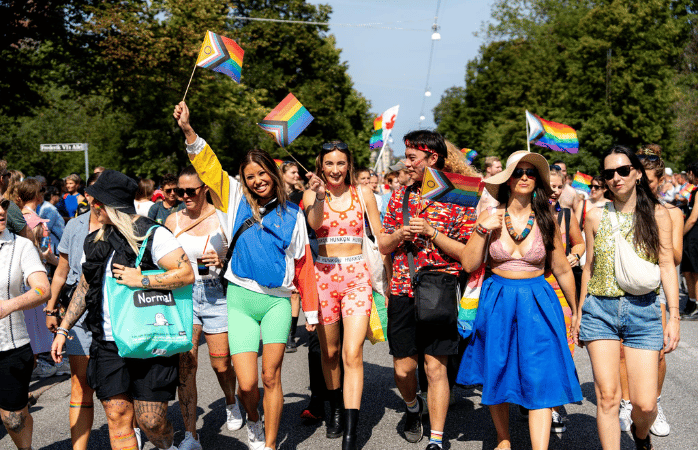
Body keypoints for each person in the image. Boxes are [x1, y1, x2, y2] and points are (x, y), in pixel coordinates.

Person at [174, 101, 318, 450]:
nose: (257, 181)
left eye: (262, 174)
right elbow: (207, 164)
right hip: (238, 300)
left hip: (276, 303)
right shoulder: (233, 198)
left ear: (274, 173)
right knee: (248, 382)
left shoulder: (294, 214)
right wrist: (189, 131)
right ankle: (253, 419)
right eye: (250, 176)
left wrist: (311, 311)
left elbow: (303, 265)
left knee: (271, 376)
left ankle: (269, 444)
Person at [50, 169, 196, 450]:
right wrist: (64, 327)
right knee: (118, 416)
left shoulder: (153, 234)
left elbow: (186, 273)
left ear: (111, 205)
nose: (92, 207)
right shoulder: (94, 240)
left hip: (149, 341)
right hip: (107, 343)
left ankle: (168, 446)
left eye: (97, 202)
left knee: (151, 422)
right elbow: (84, 286)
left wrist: (141, 279)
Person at [455, 151, 582, 450]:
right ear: (507, 179)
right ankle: (503, 440)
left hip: (538, 300)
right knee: (497, 370)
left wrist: (576, 310)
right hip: (496, 299)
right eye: (518, 172)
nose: (524, 177)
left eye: (531, 172)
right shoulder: (489, 216)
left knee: (540, 375)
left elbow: (562, 268)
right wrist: (481, 228)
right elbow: (469, 263)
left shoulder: (548, 217)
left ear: (537, 180)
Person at [577, 146, 680, 450]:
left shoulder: (659, 213)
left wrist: (674, 316)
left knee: (646, 405)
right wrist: (580, 311)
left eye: (623, 171)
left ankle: (641, 433)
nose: (616, 178)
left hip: (644, 310)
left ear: (636, 173)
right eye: (609, 174)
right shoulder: (594, 216)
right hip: (599, 310)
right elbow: (589, 268)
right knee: (608, 397)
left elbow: (666, 265)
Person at [378, 130, 475, 450]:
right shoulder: (401, 195)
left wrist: (432, 233)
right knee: (404, 368)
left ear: (433, 159)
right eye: (406, 156)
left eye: (411, 157)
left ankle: (436, 438)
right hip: (403, 290)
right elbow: (383, 243)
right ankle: (411, 407)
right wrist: (399, 235)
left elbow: (466, 255)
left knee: (436, 367)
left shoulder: (458, 198)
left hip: (439, 289)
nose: (405, 163)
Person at [304, 141, 384, 450]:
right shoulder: (312, 195)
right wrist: (321, 196)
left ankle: (351, 431)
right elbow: (313, 225)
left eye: (341, 163)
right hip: (323, 279)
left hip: (357, 279)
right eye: (329, 164)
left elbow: (380, 235)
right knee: (331, 353)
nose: (335, 169)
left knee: (353, 354)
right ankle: (335, 407)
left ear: (349, 165)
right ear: (320, 166)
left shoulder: (363, 194)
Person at [164, 166, 242, 450]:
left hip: (216, 294)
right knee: (187, 365)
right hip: (183, 296)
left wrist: (222, 261)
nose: (183, 196)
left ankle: (231, 401)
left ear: (205, 188)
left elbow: (240, 256)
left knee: (221, 364)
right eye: (177, 191)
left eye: (189, 191)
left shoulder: (223, 218)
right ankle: (190, 435)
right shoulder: (172, 221)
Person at [616, 145, 684, 438]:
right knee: (621, 353)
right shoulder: (621, 209)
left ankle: (654, 404)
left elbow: (674, 258)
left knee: (657, 355)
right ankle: (625, 404)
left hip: (650, 291)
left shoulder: (669, 212)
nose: (645, 186)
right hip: (619, 291)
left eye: (652, 182)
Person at [45, 172, 103, 450]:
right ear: (87, 193)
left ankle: (131, 434)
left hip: (114, 315)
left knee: (119, 388)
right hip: (77, 315)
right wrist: (51, 307)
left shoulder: (122, 225)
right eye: (93, 192)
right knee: (80, 385)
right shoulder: (75, 225)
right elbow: (62, 270)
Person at [0, 197, 51, 450]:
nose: (1, 211)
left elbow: (43, 289)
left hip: (10, 346)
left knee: (14, 420)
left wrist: (7, 306)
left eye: (2, 205)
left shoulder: (21, 246)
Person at [547, 165, 585, 433]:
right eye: (550, 187)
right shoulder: (526, 214)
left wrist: (575, 255)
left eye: (559, 187)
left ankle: (556, 406)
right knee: (540, 349)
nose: (555, 191)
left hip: (562, 290)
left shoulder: (567, 214)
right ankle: (539, 401)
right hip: (534, 289)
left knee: (565, 348)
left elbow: (580, 243)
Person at [280, 161, 303, 352]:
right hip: (278, 249)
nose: (297, 175)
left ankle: (290, 334)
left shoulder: (301, 196)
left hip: (296, 248)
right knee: (283, 292)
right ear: (283, 174)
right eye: (293, 172)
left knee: (295, 293)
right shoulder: (273, 196)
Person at [681, 161, 698, 318]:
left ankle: (697, 306)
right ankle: (692, 301)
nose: (687, 175)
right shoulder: (694, 191)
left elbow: (693, 218)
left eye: (689, 172)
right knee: (687, 271)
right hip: (690, 237)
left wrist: (680, 233)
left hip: (694, 236)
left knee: (695, 272)